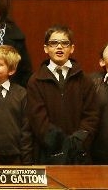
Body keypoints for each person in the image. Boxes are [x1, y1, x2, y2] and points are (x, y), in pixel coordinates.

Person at [26, 25, 99, 164]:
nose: (59, 47)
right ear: (46, 48)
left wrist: (77, 142)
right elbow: (38, 119)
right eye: (54, 43)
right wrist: (62, 143)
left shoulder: (85, 79)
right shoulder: (35, 80)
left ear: (72, 48)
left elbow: (91, 115)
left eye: (64, 43)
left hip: (79, 153)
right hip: (47, 153)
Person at [0, 45, 33, 164]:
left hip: (15, 157)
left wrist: (27, 162)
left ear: (11, 70)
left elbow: (26, 130)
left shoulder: (21, 94)